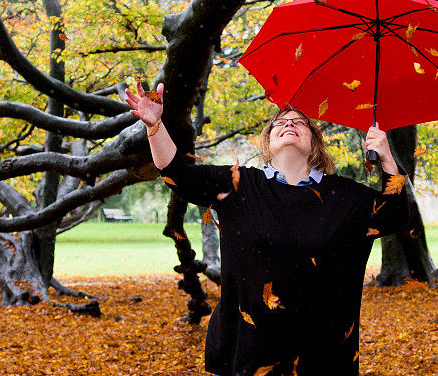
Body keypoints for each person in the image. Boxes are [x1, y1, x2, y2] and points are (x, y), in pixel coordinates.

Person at [125, 82, 410, 376]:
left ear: (314, 141)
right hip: (247, 350)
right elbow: (177, 174)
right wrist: (155, 125)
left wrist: (387, 158)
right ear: (268, 141)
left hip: (320, 355)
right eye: (280, 122)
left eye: (300, 122)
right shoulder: (238, 185)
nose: (289, 124)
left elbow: (396, 214)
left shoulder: (344, 196)